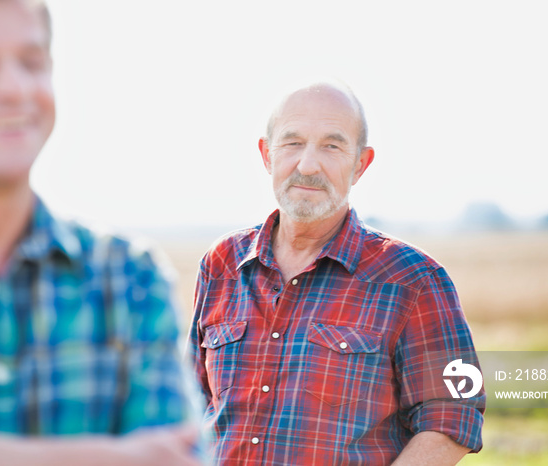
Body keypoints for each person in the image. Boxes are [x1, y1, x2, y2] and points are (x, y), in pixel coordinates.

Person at [0, 1, 201, 464]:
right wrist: (115, 458)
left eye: (32, 63)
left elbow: (177, 458)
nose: (14, 88)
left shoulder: (129, 279)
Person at [188, 81, 484, 465]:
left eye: (332, 145)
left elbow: (451, 417)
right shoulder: (222, 264)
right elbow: (188, 404)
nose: (308, 165)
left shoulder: (412, 279)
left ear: (360, 163)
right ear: (266, 155)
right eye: (292, 143)